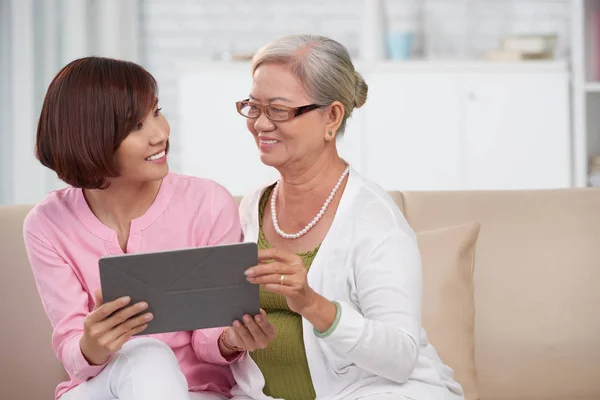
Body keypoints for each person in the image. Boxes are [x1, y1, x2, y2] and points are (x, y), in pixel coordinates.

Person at [23, 56, 275, 400]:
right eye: (135, 126)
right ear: (91, 138)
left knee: (152, 358)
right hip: (101, 388)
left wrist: (230, 340)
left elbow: (209, 336)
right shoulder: (47, 223)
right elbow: (73, 350)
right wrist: (92, 345)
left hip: (194, 391)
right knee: (144, 356)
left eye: (156, 112)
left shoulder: (206, 203)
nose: (160, 134)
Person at [229, 34, 465, 400]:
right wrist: (229, 342)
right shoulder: (251, 208)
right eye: (253, 107)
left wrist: (312, 303)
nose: (260, 124)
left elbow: (400, 357)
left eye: (278, 110)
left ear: (332, 116)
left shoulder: (373, 217)